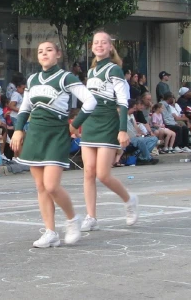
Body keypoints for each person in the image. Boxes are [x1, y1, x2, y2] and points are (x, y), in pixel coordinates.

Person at [10, 41, 97, 248]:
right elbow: (25, 107)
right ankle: (50, 232)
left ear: (58, 54)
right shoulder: (32, 79)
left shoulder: (66, 77)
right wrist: (18, 129)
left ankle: (72, 219)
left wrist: (75, 125)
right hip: (36, 133)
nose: (44, 54)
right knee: (41, 186)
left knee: (51, 185)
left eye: (49, 50)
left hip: (57, 133)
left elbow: (90, 101)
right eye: (40, 51)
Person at [75, 32, 138, 234]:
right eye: (96, 42)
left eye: (104, 42)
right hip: (91, 124)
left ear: (111, 47)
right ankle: (91, 216)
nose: (99, 45)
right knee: (88, 172)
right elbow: (87, 102)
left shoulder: (115, 70)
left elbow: (122, 102)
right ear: (92, 47)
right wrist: (78, 124)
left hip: (108, 123)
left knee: (103, 174)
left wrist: (122, 130)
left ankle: (129, 200)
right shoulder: (92, 71)